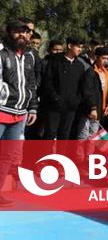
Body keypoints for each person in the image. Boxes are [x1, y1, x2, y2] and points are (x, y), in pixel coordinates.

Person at [0, 20, 38, 207]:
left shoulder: (29, 57)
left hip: (20, 113)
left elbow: (31, 84)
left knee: (7, 156)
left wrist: (32, 108)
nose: (22, 35)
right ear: (9, 33)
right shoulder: (1, 54)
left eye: (25, 32)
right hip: (1, 109)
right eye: (17, 32)